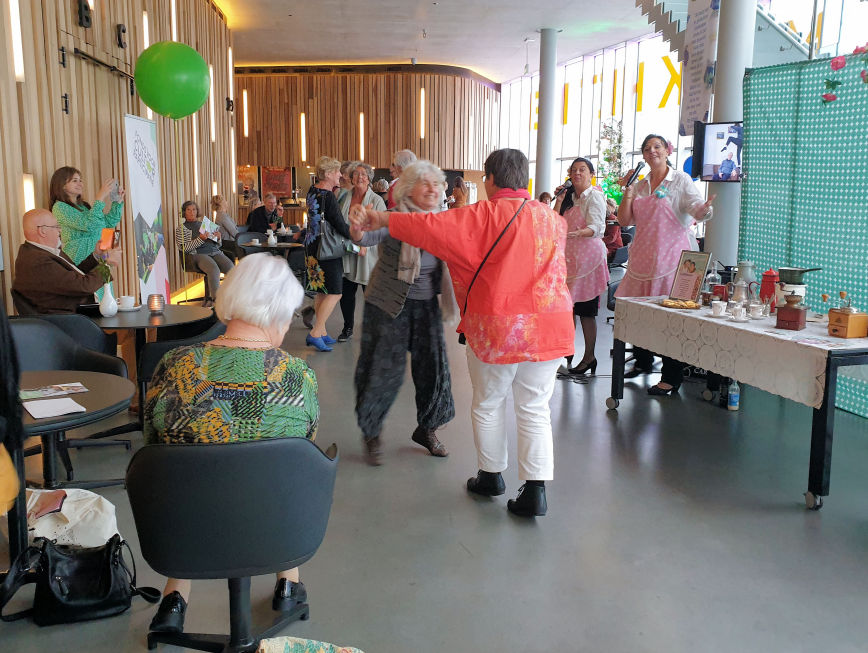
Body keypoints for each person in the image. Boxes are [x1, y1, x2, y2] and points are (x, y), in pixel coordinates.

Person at [351, 148, 573, 517]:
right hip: (550, 328)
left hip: (498, 328)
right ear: (524, 180)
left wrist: (379, 217)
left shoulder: (480, 215)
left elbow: (427, 227)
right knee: (535, 408)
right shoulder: (553, 219)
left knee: (489, 403)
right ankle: (536, 492)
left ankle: (491, 477)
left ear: (490, 179)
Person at [143, 253, 318, 636]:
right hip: (275, 529)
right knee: (281, 476)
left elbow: (152, 446)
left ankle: (174, 600)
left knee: (184, 477)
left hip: (184, 529)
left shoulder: (175, 365)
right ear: (277, 315)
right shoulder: (297, 376)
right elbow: (304, 458)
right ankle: (288, 586)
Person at [349, 161, 456, 465]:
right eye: (425, 183)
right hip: (387, 303)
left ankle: (427, 429)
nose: (433, 189)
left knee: (434, 369)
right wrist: (357, 230)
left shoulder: (443, 220)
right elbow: (367, 237)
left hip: (427, 305)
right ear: (409, 189)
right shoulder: (394, 216)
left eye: (437, 184)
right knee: (381, 371)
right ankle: (372, 432)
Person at [616, 133, 715, 395]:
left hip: (672, 260)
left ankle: (671, 377)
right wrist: (627, 192)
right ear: (643, 155)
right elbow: (625, 221)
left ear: (667, 151)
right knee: (638, 315)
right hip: (642, 260)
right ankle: (643, 361)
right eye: (647, 148)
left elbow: (697, 208)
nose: (652, 151)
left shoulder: (680, 180)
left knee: (670, 319)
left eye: (657, 146)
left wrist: (705, 210)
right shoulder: (640, 185)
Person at [553, 157, 609, 376]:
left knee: (586, 311)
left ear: (591, 174)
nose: (577, 173)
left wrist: (579, 233)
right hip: (569, 260)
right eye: (574, 170)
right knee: (567, 310)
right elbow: (554, 221)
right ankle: (566, 354)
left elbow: (598, 227)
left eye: (582, 170)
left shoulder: (595, 196)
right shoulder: (568, 197)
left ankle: (589, 357)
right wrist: (559, 199)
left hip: (588, 262)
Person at [13, 208, 121, 313]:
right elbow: (83, 286)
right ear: (43, 231)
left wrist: (98, 256)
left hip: (77, 313)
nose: (60, 231)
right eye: (56, 227)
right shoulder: (37, 261)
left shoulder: (38, 253)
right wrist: (107, 264)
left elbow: (73, 277)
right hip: (69, 318)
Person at [304, 156, 353, 351]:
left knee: (321, 290)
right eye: (337, 171)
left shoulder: (312, 191)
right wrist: (357, 235)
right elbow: (340, 225)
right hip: (327, 250)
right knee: (335, 292)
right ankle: (315, 333)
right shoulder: (328, 197)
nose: (340, 175)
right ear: (329, 173)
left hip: (312, 247)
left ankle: (322, 330)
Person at [337, 162, 385, 342]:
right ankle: (347, 327)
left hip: (368, 253)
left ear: (369, 178)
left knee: (370, 294)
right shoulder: (344, 197)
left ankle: (374, 330)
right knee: (347, 293)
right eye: (356, 174)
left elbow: (381, 227)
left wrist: (365, 245)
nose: (359, 177)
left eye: (363, 174)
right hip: (347, 250)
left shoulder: (376, 200)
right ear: (350, 178)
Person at [49, 166, 124, 267]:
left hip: (98, 257)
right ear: (62, 185)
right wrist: (100, 197)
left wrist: (117, 203)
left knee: (103, 277)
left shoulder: (84, 206)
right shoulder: (59, 207)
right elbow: (90, 225)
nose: (80, 184)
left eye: (80, 180)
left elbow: (107, 224)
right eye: (75, 181)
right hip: (79, 259)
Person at [175, 201, 234, 308]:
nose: (192, 212)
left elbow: (218, 245)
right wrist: (200, 239)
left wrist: (218, 238)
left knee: (231, 268)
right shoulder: (181, 229)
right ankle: (216, 302)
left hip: (214, 251)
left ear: (197, 211)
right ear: (184, 212)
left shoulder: (205, 224)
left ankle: (232, 298)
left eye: (194, 209)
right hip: (197, 254)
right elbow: (184, 248)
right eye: (188, 210)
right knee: (214, 269)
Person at [212, 194, 239, 259]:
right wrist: (243, 238)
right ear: (222, 204)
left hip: (227, 242)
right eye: (225, 200)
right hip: (228, 243)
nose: (227, 202)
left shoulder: (221, 215)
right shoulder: (222, 216)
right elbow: (233, 232)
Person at [602, 197, 623, 262]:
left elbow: (611, 238)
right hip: (606, 245)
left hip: (614, 248)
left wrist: (598, 241)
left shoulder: (613, 220)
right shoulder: (604, 218)